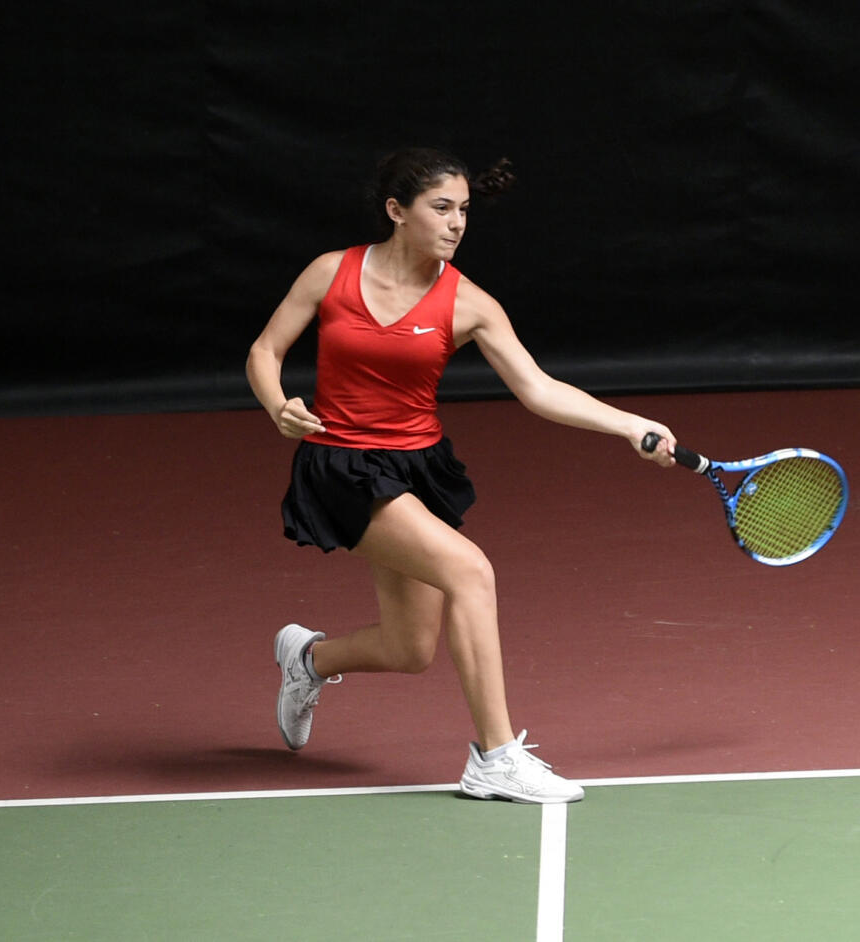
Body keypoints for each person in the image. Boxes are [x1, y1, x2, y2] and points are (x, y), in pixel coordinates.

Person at [246, 147, 677, 804]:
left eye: (465, 210)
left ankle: (308, 660)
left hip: (418, 468)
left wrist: (626, 424)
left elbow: (539, 388)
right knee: (470, 570)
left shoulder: (468, 303)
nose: (456, 223)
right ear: (397, 211)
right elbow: (265, 350)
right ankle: (495, 757)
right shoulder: (332, 273)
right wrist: (279, 404)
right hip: (342, 467)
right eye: (441, 208)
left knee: (409, 648)